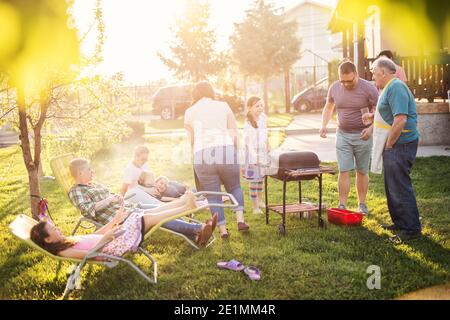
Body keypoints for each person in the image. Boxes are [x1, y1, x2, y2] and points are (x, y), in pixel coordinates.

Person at [67, 158, 213, 246]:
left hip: (129, 207)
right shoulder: (76, 191)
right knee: (159, 216)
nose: (92, 171)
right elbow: (88, 210)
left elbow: (110, 198)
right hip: (121, 218)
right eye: (89, 169)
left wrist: (116, 197)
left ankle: (195, 231)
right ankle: (196, 224)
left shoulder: (94, 184)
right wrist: (109, 199)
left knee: (160, 209)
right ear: (80, 173)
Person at [31, 193, 219, 258]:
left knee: (146, 214)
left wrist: (115, 220)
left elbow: (95, 234)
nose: (57, 228)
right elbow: (90, 255)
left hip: (111, 239)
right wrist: (105, 238)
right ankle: (186, 205)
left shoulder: (67, 241)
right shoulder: (63, 251)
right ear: (48, 239)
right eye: (53, 230)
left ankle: (184, 204)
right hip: (112, 247)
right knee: (149, 218)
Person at [362, 57, 421, 242]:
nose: (372, 74)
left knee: (400, 186)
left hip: (400, 144)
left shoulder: (396, 87)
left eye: (373, 71)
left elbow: (401, 119)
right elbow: (389, 112)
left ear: (383, 72)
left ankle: (411, 229)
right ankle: (400, 223)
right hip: (396, 144)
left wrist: (389, 144)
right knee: (392, 185)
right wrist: (373, 117)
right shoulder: (389, 88)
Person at [184, 81, 249, 239]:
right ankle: (240, 220)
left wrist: (196, 156)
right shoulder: (223, 106)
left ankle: (223, 231)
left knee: (212, 195)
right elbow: (234, 132)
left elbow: (191, 140)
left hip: (201, 154)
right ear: (211, 92)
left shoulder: (189, 112)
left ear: (195, 94)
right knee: (234, 186)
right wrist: (237, 153)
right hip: (225, 149)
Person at [320, 60, 379, 214]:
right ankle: (342, 205)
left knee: (362, 171)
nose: (345, 84)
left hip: (363, 135)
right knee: (344, 170)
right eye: (342, 81)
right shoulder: (334, 87)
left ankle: (362, 204)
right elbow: (329, 107)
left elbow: (380, 110)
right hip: (343, 135)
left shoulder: (368, 88)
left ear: (356, 75)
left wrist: (371, 128)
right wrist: (324, 125)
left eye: (349, 80)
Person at [242, 96, 269, 214]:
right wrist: (254, 156)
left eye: (261, 105)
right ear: (249, 108)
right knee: (254, 179)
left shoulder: (263, 118)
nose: (260, 108)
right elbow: (248, 143)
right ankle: (255, 207)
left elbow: (265, 134)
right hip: (252, 153)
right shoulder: (248, 123)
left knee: (261, 178)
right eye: (257, 106)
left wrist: (268, 148)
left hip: (262, 151)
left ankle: (260, 201)